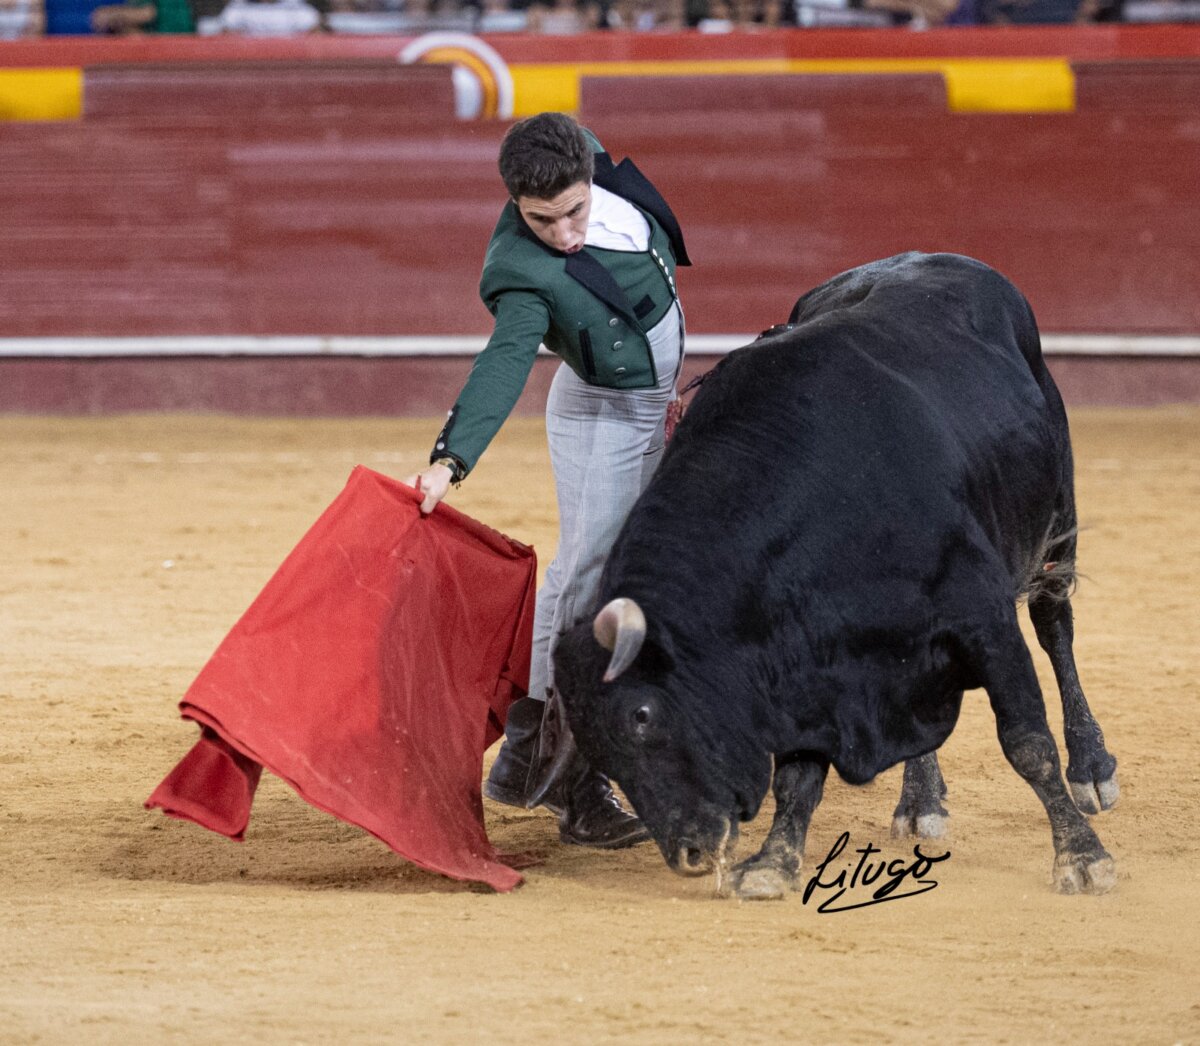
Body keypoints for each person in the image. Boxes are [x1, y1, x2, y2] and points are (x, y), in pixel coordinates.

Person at [404, 112, 690, 850]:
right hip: (608, 412)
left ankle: (537, 747)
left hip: (647, 401)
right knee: (588, 572)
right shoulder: (519, 269)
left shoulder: (577, 148)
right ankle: (555, 767)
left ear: (587, 174)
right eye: (541, 220)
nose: (563, 235)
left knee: (608, 570)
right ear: (515, 205)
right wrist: (450, 459)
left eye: (574, 212)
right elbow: (504, 362)